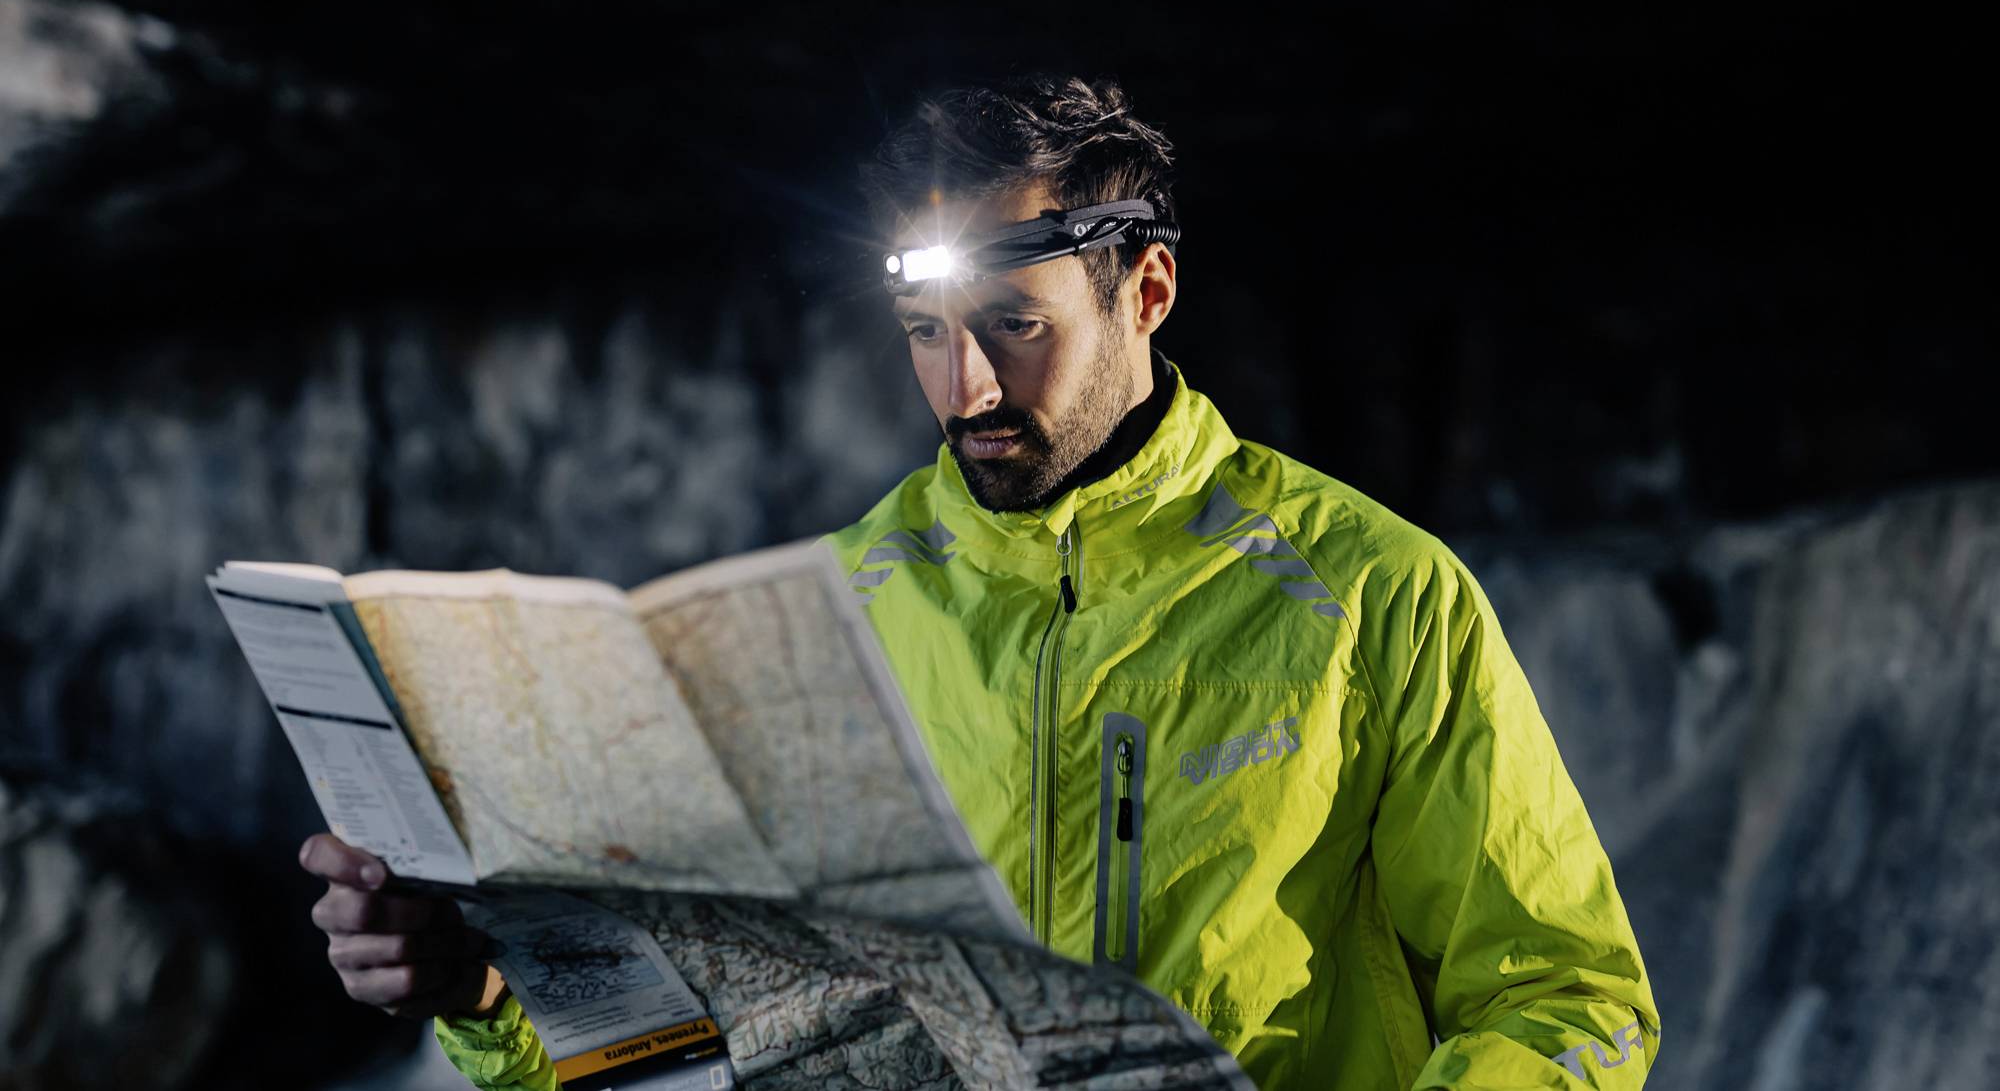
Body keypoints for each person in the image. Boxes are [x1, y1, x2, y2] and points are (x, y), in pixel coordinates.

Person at [302, 74, 1660, 1089]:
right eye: (922, 332)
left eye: (1016, 326)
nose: (966, 390)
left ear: (1148, 292)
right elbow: (694, 1052)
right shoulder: (832, 610)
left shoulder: (1371, 592)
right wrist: (485, 997)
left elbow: (1570, 1001)